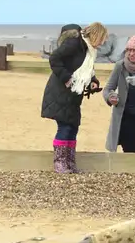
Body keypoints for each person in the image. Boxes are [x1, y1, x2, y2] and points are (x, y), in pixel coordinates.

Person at [41, 22, 107, 173]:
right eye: (102, 38)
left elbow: (86, 72)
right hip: (60, 93)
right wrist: (66, 78)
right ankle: (60, 163)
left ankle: (69, 162)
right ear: (96, 35)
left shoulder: (88, 51)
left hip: (73, 96)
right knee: (65, 127)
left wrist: (93, 83)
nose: (103, 43)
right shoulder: (75, 44)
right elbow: (54, 59)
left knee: (73, 127)